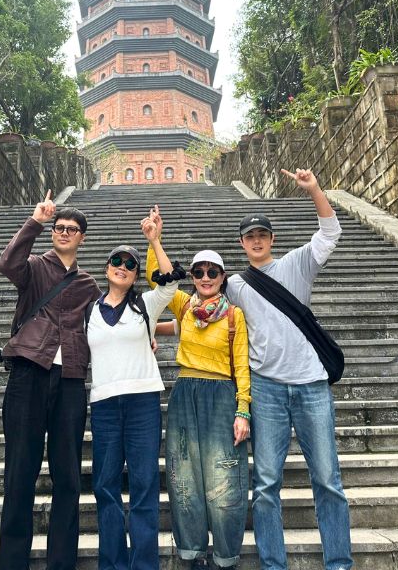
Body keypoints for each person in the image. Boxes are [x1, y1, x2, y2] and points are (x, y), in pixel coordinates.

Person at [226, 168, 351, 570]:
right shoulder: (236, 285)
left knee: (328, 480)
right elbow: (198, 301)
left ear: (271, 240)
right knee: (265, 484)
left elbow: (331, 234)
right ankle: (273, 564)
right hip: (265, 388)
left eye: (262, 235)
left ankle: (339, 563)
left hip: (311, 383)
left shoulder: (296, 264)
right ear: (242, 244)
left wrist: (315, 188)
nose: (257, 241)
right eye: (250, 236)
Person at [0, 191, 101, 570]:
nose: (64, 232)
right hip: (29, 374)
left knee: (68, 478)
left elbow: (107, 323)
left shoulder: (89, 285)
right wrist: (35, 221)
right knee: (20, 474)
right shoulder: (36, 267)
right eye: (59, 227)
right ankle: (11, 563)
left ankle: (62, 563)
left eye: (72, 229)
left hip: (70, 381)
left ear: (82, 237)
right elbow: (7, 264)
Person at [147, 227, 252, 570]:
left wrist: (243, 411)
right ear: (192, 277)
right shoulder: (183, 307)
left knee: (225, 479)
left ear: (222, 277)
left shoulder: (234, 316)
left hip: (221, 394)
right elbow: (156, 280)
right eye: (199, 272)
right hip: (185, 392)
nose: (206, 277)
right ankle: (191, 554)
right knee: (184, 477)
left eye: (213, 272)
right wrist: (154, 241)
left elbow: (242, 367)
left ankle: (225, 557)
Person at [88, 208, 179, 570]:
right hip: (106, 404)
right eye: (116, 260)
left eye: (130, 263)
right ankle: (112, 564)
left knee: (143, 486)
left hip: (142, 401)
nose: (122, 266)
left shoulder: (146, 305)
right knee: (105, 487)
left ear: (136, 273)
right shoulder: (88, 309)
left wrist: (153, 241)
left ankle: (144, 565)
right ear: (107, 267)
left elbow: (171, 282)